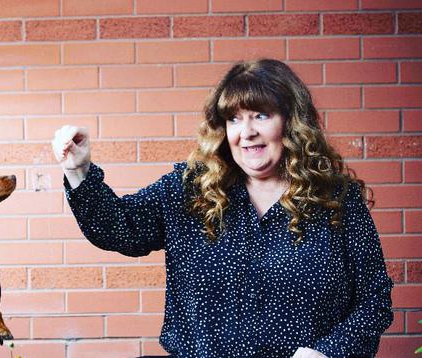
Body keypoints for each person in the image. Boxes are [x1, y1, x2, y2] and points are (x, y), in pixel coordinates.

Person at [51, 59, 393, 358]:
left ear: (291, 123)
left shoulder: (336, 199)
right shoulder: (190, 190)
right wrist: (79, 171)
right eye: (234, 119)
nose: (247, 132)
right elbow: (119, 228)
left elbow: (375, 299)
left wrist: (328, 352)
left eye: (261, 115)